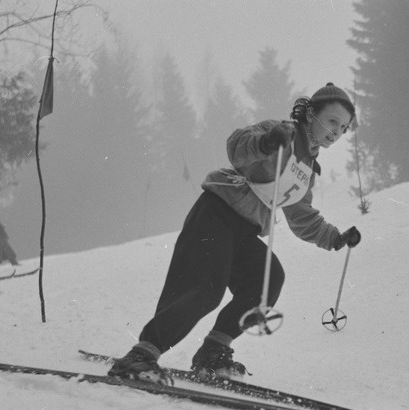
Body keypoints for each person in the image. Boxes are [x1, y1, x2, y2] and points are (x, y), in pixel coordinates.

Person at [109, 83, 362, 384]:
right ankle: (141, 355)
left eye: (343, 127)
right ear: (311, 114)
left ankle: (213, 352)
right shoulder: (282, 132)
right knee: (205, 289)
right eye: (332, 121)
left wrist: (335, 238)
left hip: (244, 230)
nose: (336, 131)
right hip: (217, 213)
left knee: (267, 280)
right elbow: (237, 147)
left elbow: (301, 216)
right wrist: (268, 142)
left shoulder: (307, 168)